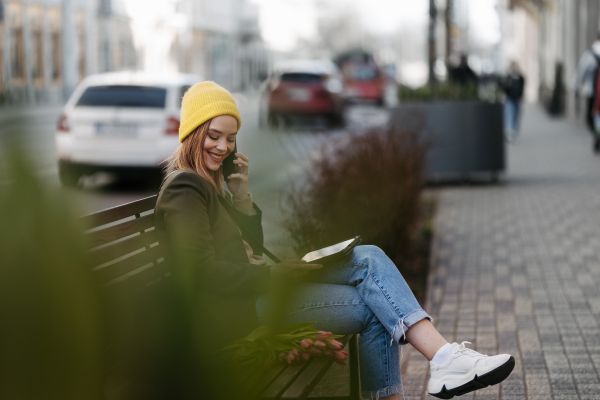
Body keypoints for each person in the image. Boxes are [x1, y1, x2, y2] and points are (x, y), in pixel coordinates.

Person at [154, 81, 515, 399]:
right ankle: (445, 359)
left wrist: (242, 195)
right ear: (192, 133)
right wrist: (276, 278)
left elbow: (246, 248)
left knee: (368, 256)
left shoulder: (210, 185)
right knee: (375, 308)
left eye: (230, 138)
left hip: (251, 297)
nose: (222, 147)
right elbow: (201, 272)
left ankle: (445, 358)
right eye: (213, 136)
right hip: (236, 312)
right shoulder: (186, 187)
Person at [575, 33, 600, 135]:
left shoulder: (589, 54)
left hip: (592, 90)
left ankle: (596, 134)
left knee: (593, 114)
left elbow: (581, 71)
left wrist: (577, 86)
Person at [502, 62, 526, 142]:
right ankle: (509, 131)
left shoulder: (520, 78)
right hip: (509, 99)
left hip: (517, 99)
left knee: (516, 115)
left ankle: (514, 130)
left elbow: (522, 88)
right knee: (509, 114)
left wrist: (521, 97)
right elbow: (504, 89)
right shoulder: (508, 77)